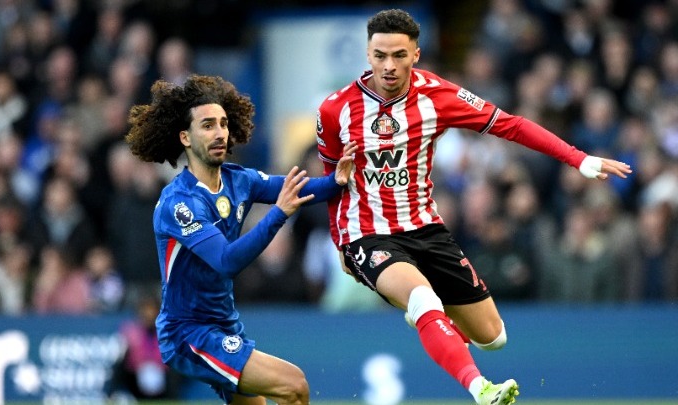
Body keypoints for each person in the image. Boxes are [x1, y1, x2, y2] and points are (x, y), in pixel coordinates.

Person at [314, 9, 633, 405]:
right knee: (422, 298)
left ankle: (429, 320)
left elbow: (510, 124)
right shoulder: (335, 110)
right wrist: (340, 242)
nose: (388, 65)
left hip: (424, 227)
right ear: (368, 54)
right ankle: (480, 387)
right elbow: (333, 179)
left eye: (399, 55)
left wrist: (578, 158)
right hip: (367, 234)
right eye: (380, 55)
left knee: (493, 337)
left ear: (416, 54)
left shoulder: (438, 95)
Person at [125, 74, 357, 405]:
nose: (220, 132)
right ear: (185, 137)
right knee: (294, 385)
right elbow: (226, 261)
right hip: (189, 332)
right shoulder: (179, 203)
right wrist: (278, 214)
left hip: (225, 324)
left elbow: (297, 189)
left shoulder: (239, 180)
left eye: (223, 124)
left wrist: (336, 180)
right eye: (207, 125)